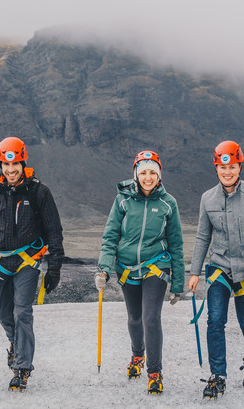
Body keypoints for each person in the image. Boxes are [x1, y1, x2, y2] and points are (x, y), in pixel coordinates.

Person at [0, 137, 66, 392]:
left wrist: (54, 267)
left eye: (15, 165)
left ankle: (22, 368)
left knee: (22, 312)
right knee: (3, 314)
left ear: (23, 162)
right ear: (0, 164)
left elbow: (54, 231)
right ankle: (15, 343)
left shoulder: (38, 192)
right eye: (5, 165)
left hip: (27, 263)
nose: (10, 171)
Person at [188, 140, 244, 398]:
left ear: (239, 166)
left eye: (233, 167)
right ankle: (218, 376)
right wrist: (194, 272)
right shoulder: (207, 198)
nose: (228, 172)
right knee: (215, 320)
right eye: (222, 167)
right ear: (216, 168)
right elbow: (203, 237)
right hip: (219, 269)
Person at [96, 150, 185, 395]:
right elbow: (110, 236)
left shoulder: (168, 203)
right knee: (134, 319)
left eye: (152, 173)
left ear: (159, 175)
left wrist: (178, 283)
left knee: (150, 318)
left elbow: (176, 244)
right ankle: (138, 356)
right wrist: (104, 268)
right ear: (136, 174)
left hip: (156, 266)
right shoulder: (122, 200)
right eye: (143, 172)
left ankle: (155, 372)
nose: (148, 177)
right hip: (126, 269)